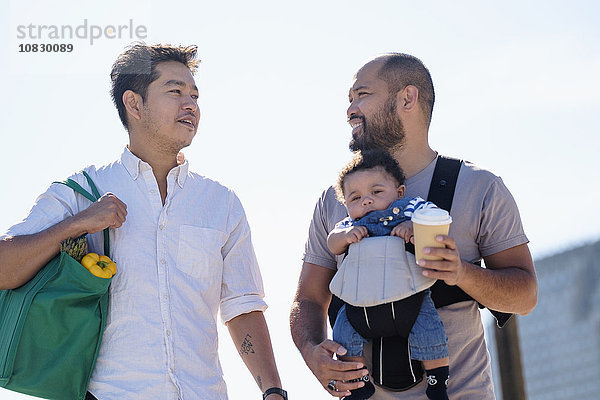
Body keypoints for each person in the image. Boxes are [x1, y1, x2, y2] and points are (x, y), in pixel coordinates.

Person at [0, 43, 286, 400]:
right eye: (175, 91)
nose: (191, 105)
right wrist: (76, 225)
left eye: (195, 95)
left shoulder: (222, 203)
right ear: (134, 104)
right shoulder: (80, 192)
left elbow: (242, 306)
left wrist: (273, 390)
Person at [290, 53, 537, 399]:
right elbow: (309, 300)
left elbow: (525, 296)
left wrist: (460, 272)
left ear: (407, 98)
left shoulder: (480, 187)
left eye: (362, 95)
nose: (350, 110)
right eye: (349, 100)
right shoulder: (334, 200)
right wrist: (311, 352)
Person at [327, 149, 450, 400]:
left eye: (377, 192)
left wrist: (413, 227)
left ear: (400, 192)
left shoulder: (408, 208)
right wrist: (343, 238)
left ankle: (437, 382)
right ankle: (357, 383)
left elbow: (435, 219)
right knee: (342, 332)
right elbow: (332, 243)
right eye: (356, 198)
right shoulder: (350, 225)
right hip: (359, 303)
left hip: (409, 296)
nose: (367, 201)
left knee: (429, 327)